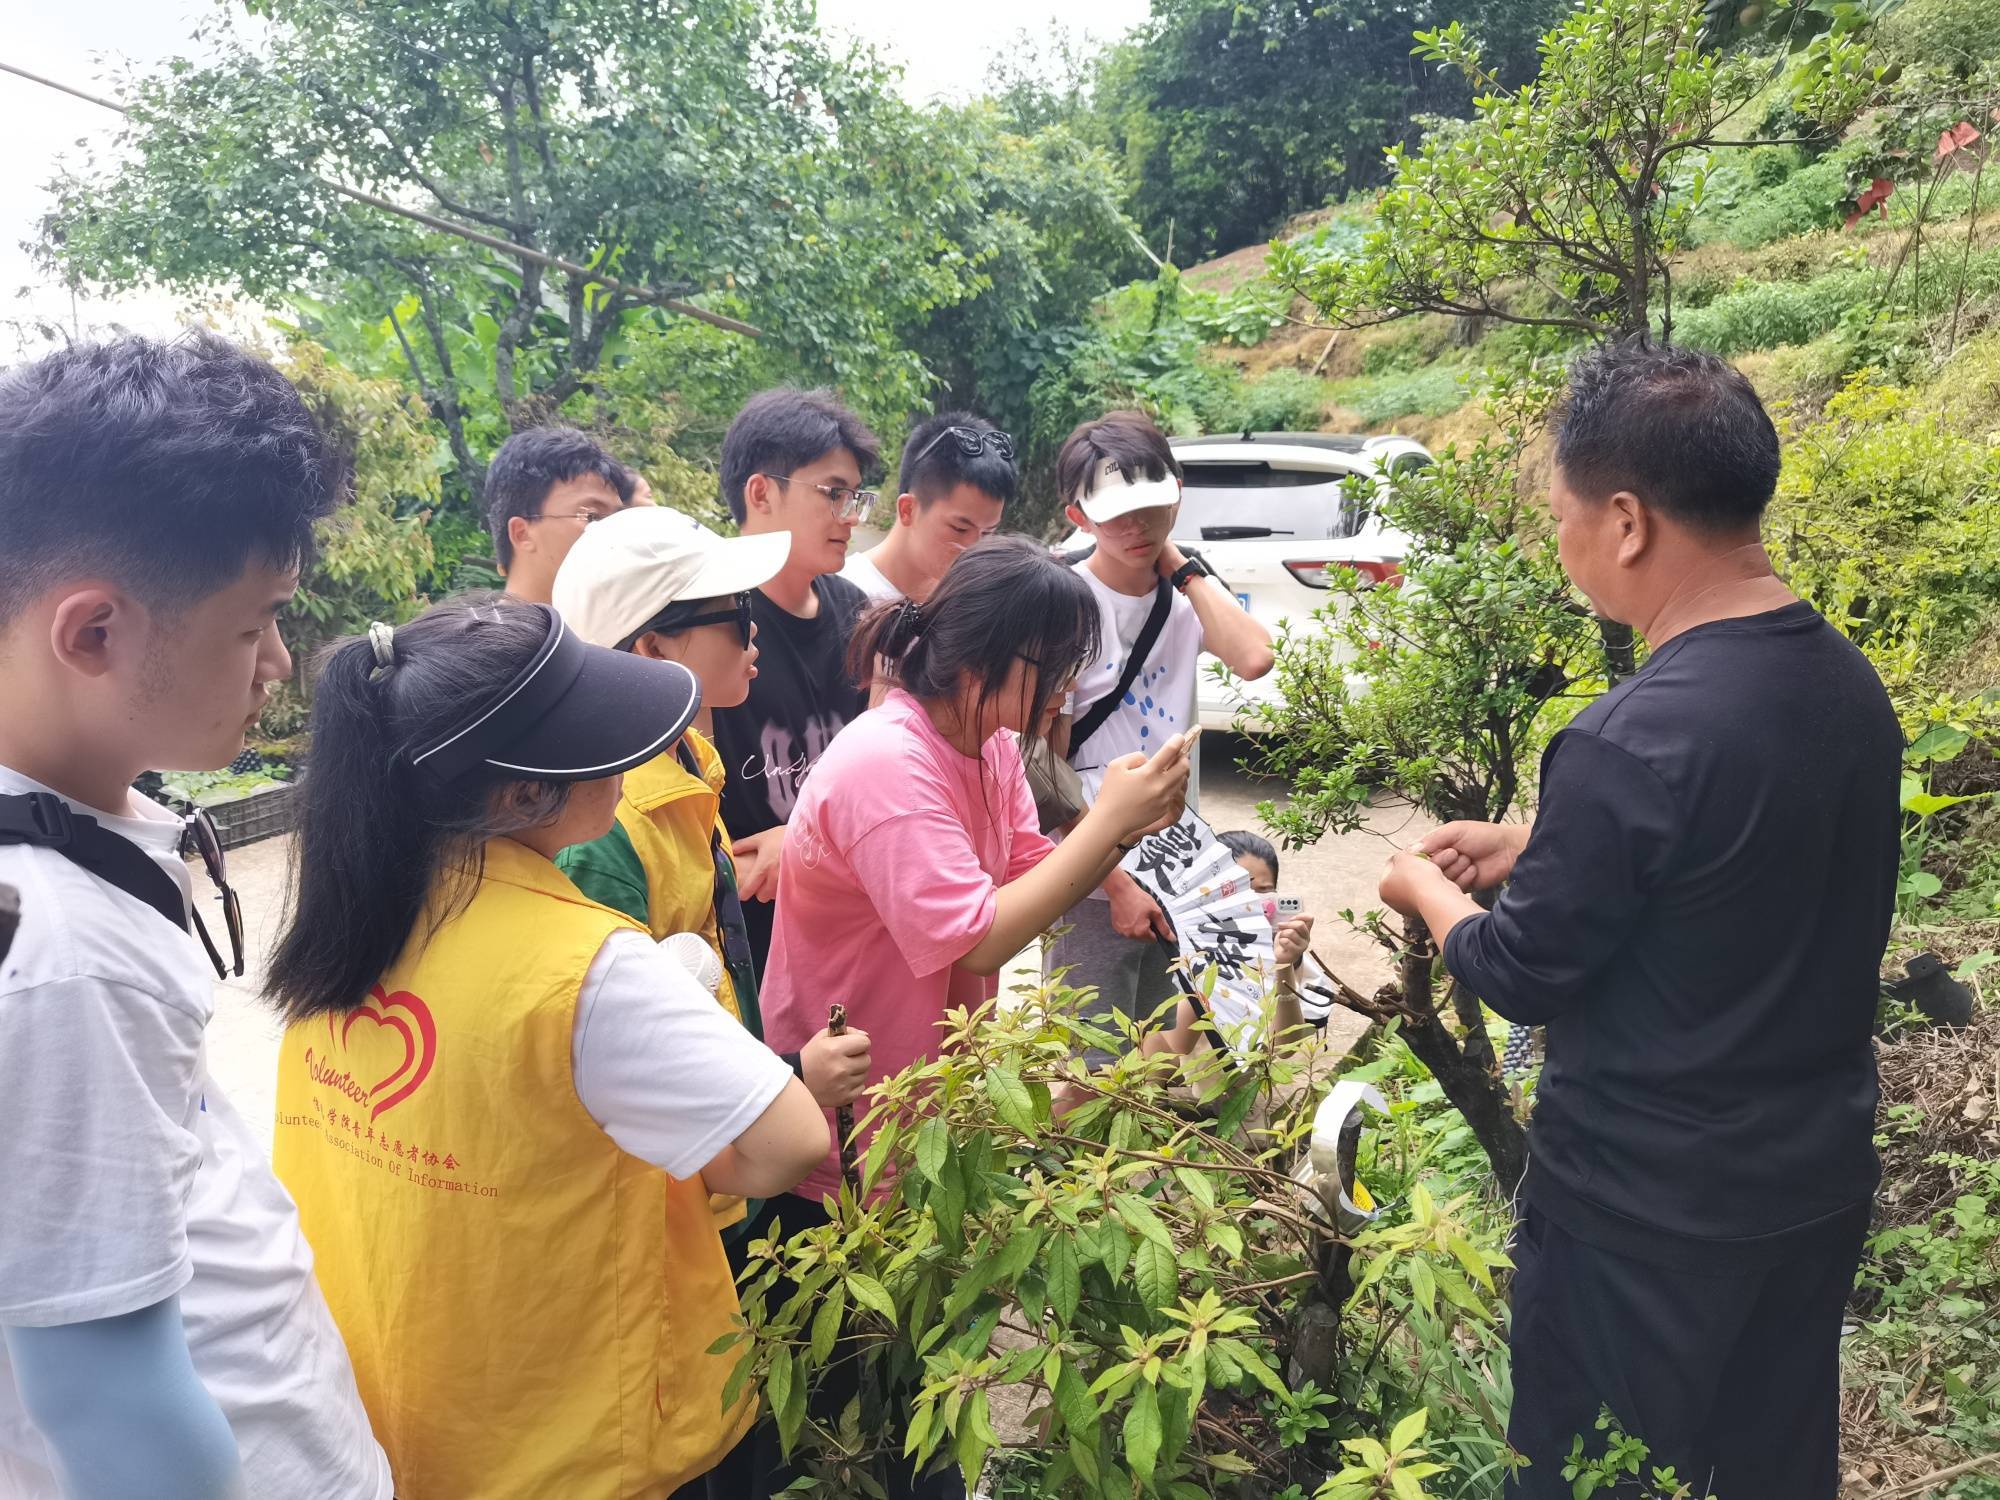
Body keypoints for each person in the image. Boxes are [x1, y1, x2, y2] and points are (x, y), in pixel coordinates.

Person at [1377, 343, 1901, 1498]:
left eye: (1559, 517)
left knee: (1595, 1480)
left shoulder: (1631, 736)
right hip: (1805, 1184)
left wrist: (1426, 889)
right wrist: (1542, 846)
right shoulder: (1848, 689)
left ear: (1623, 521)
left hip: (1640, 1220)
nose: (1560, 545)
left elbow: (1520, 971)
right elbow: (1744, 871)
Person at [264, 599, 829, 1499]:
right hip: (564, 1441)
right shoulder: (588, 967)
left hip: (405, 1408)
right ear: (521, 791)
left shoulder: (344, 927)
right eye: (598, 739)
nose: (629, 754)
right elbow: (792, 1141)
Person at [0, 333, 389, 1499]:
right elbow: (107, 1405)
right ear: (95, 633)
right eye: (254, 622)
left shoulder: (79, 827)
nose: (277, 660)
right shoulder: (60, 957)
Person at [758, 536, 1192, 1498]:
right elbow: (975, 941)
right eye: (1053, 670)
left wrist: (1113, 865)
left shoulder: (985, 744)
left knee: (926, 1363)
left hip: (924, 1097)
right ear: (982, 657)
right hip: (848, 1104)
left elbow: (1026, 854)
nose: (1064, 696)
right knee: (850, 1380)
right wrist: (1110, 824)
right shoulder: (886, 763)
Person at [549, 510, 872, 1260]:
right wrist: (790, 1079)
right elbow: (622, 1056)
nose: (755, 635)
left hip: (727, 1143)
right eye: (736, 615)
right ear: (653, 647)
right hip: (682, 1186)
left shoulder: (690, 761)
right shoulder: (607, 830)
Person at [1043, 410, 1276, 1066]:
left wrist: (1176, 561)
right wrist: (1115, 885)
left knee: (1149, 1056)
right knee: (1087, 1064)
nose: (1134, 525)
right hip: (1093, 871)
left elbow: (1254, 658)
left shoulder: (1183, 597)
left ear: (1177, 493)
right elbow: (1045, 769)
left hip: (1173, 863)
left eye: (1149, 506)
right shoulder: (1065, 605)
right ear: (1077, 515)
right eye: (1115, 512)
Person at [707, 388, 882, 973]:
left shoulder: (856, 611)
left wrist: (806, 841)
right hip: (746, 946)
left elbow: (878, 777)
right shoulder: (706, 621)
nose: (851, 517)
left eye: (855, 496)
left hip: (847, 927)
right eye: (833, 494)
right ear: (761, 492)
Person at [840, 411, 1014, 603]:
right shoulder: (842, 599)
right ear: (908, 510)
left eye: (988, 533)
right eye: (960, 528)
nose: (974, 550)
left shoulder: (970, 602)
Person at [485, 425, 638, 603]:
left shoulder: (625, 626)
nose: (615, 534)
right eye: (593, 517)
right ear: (522, 534)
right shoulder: (483, 631)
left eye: (617, 519)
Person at [1218, 828, 1331, 1033]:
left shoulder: (1281, 953)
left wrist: (1284, 964)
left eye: (1263, 892)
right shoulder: (1184, 950)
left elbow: (1284, 1046)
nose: (1250, 905)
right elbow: (1178, 1047)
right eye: (1238, 891)